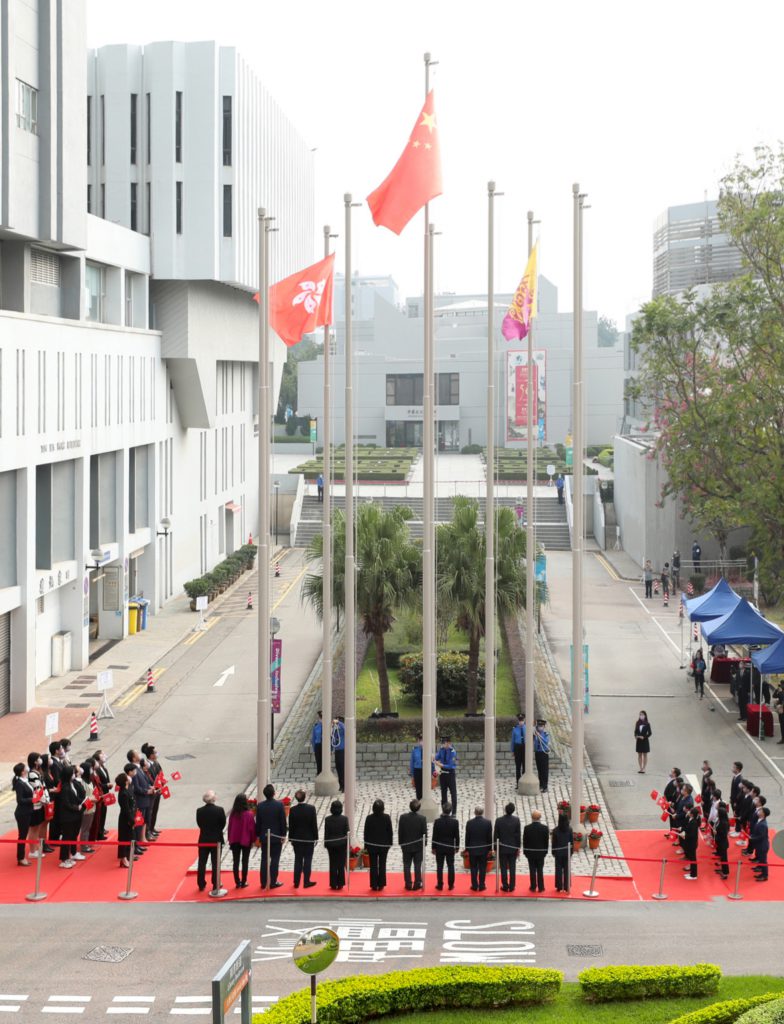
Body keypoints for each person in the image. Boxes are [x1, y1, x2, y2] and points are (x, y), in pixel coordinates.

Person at [255, 783, 287, 889]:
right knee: (275, 859)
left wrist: (258, 835)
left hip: (264, 836)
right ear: (274, 793)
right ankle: (273, 881)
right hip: (276, 836)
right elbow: (283, 821)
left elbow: (258, 823)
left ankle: (263, 881)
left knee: (264, 859)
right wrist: (283, 834)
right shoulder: (279, 805)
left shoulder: (260, 806)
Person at [196, 790, 226, 894]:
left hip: (204, 838)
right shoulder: (219, 810)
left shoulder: (199, 811)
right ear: (213, 799)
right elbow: (223, 824)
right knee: (216, 863)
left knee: (202, 862)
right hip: (216, 839)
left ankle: (201, 883)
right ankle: (215, 883)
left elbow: (199, 824)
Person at [288, 789, 319, 889]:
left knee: (298, 860)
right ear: (305, 797)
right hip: (309, 838)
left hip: (297, 839)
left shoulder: (293, 810)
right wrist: (316, 837)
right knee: (308, 860)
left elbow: (291, 826)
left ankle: (296, 882)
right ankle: (306, 881)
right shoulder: (311, 808)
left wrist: (291, 838)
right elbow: (314, 824)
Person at [363, 798, 393, 892]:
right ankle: (381, 884)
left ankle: (374, 884)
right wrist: (389, 844)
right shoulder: (387, 817)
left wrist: (366, 845)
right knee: (382, 865)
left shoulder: (369, 818)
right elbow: (390, 832)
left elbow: (366, 833)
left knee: (373, 865)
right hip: (384, 846)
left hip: (372, 846)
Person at [227, 793, 256, 889]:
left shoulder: (233, 814)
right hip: (246, 841)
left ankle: (237, 882)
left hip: (235, 840)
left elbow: (230, 827)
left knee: (236, 862)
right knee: (245, 861)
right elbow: (252, 829)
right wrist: (253, 840)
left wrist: (229, 838)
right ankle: (244, 881)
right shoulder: (249, 814)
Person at [398, 798, 427, 891]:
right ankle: (417, 883)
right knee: (417, 865)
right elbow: (424, 833)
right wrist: (424, 844)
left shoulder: (403, 817)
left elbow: (400, 832)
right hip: (418, 846)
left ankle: (408, 884)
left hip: (406, 845)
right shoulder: (422, 819)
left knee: (406, 865)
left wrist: (401, 843)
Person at [493, 802, 521, 892]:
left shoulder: (499, 820)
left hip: (502, 847)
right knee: (512, 867)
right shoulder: (516, 820)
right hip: (512, 847)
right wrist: (518, 847)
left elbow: (495, 835)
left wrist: (495, 848)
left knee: (503, 867)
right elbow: (518, 835)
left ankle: (505, 885)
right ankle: (512, 886)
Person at [431, 802, 460, 891]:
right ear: (450, 811)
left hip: (440, 846)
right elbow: (457, 836)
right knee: (450, 865)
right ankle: (451, 884)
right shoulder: (455, 822)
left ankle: (440, 884)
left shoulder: (437, 821)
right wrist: (457, 847)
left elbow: (434, 836)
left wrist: (433, 847)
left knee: (439, 866)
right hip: (450, 846)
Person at [465, 806, 493, 892]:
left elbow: (467, 837)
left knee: (473, 868)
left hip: (473, 849)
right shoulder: (488, 823)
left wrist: (467, 849)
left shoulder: (470, 823)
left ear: (475, 812)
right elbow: (489, 837)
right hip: (483, 849)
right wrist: (489, 849)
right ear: (482, 812)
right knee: (482, 867)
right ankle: (481, 885)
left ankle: (474, 885)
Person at [323, 799, 349, 890]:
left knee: (333, 864)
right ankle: (341, 883)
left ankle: (333, 883)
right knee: (341, 864)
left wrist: (326, 844)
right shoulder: (344, 819)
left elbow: (326, 833)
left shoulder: (328, 819)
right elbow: (347, 833)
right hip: (342, 844)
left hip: (331, 844)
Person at [12, 763, 34, 866]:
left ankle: (21, 857)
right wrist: (32, 799)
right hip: (22, 813)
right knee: (22, 836)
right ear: (22, 771)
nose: (27, 768)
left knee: (24, 834)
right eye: (25, 768)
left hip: (28, 811)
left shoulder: (25, 780)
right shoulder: (19, 784)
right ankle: (20, 858)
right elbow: (20, 800)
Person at [522, 809, 549, 893]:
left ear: (532, 817)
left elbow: (525, 841)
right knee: (540, 870)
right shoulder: (545, 828)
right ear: (540, 818)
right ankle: (541, 887)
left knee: (532, 870)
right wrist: (545, 852)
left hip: (530, 853)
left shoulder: (527, 828)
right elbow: (546, 842)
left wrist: (525, 852)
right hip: (541, 853)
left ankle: (533, 886)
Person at [116, 771, 136, 868]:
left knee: (129, 838)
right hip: (125, 819)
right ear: (125, 781)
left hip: (129, 816)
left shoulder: (127, 790)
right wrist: (131, 820)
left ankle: (127, 856)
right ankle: (123, 858)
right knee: (123, 838)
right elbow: (126, 809)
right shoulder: (123, 793)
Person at [551, 813, 574, 893]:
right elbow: (572, 842)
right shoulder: (570, 829)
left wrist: (553, 852)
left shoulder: (555, 830)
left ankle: (559, 886)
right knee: (567, 870)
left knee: (558, 870)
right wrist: (571, 852)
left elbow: (554, 843)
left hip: (558, 853)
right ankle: (567, 886)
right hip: (567, 852)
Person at [436, 736, 458, 814]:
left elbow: (451, 765)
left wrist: (441, 765)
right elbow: (437, 757)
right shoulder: (441, 750)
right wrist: (434, 759)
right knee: (443, 793)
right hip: (442, 774)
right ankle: (444, 811)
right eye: (442, 743)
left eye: (444, 743)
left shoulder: (453, 752)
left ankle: (454, 812)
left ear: (449, 743)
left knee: (453, 793)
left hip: (450, 774)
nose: (443, 745)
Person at [679, 806, 700, 879]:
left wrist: (685, 835)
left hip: (692, 843)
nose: (688, 812)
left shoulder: (694, 822)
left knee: (693, 859)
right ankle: (692, 873)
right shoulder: (691, 820)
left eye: (690, 812)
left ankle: (694, 875)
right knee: (691, 859)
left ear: (692, 814)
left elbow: (692, 834)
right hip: (690, 843)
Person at [751, 807, 771, 882]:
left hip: (762, 846)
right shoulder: (760, 820)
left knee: (763, 860)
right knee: (760, 859)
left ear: (764, 814)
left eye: (760, 811)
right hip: (759, 845)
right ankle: (760, 868)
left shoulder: (763, 824)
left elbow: (761, 836)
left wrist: (752, 838)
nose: (758, 811)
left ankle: (764, 875)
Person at [713, 805, 730, 879]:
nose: (716, 813)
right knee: (722, 857)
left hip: (723, 843)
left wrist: (716, 832)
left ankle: (725, 873)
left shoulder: (724, 823)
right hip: (719, 842)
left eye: (718, 812)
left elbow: (724, 834)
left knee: (724, 858)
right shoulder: (720, 820)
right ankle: (723, 870)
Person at [533, 721, 550, 792]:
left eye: (541, 726)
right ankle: (541, 785)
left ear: (544, 727)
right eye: (539, 726)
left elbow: (545, 741)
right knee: (539, 770)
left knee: (544, 770)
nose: (540, 727)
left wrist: (539, 735)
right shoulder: (535, 734)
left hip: (544, 753)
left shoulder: (546, 734)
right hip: (538, 753)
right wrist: (535, 735)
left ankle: (545, 786)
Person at [331, 717, 346, 791]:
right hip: (337, 750)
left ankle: (344, 785)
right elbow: (333, 739)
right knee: (338, 768)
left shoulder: (342, 729)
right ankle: (341, 785)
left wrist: (339, 723)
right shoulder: (336, 730)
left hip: (342, 750)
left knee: (342, 768)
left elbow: (345, 728)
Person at [510, 714, 526, 784]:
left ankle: (524, 781)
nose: (521, 722)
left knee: (525, 766)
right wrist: (512, 751)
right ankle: (518, 782)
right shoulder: (515, 729)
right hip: (517, 747)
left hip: (525, 747)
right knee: (518, 766)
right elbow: (512, 740)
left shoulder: (527, 728)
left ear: (524, 720)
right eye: (520, 720)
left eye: (522, 720)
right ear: (518, 721)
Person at [409, 733, 424, 799]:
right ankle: (419, 803)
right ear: (418, 741)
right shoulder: (415, 750)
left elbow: (431, 762)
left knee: (425, 789)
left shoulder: (428, 749)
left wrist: (433, 772)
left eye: (423, 740)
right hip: (417, 770)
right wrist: (412, 774)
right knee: (418, 789)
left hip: (425, 771)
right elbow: (412, 762)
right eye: (420, 740)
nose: (422, 741)